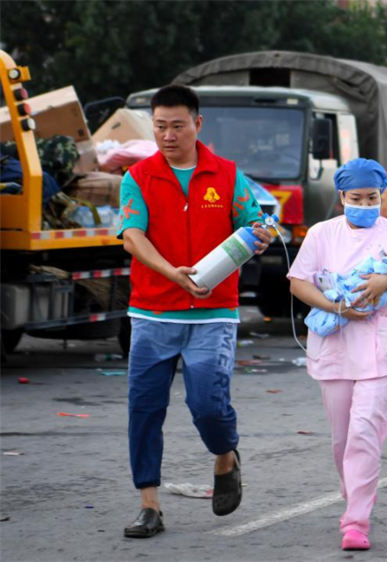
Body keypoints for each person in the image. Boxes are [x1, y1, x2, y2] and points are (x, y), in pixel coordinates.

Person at [119, 85, 273, 538]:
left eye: (177, 126)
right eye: (160, 126)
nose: (168, 135)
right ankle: (149, 504)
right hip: (152, 313)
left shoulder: (227, 175)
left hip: (212, 313)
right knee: (144, 408)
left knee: (207, 403)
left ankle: (225, 455)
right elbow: (132, 236)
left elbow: (252, 223)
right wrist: (172, 273)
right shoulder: (139, 177)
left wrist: (260, 235)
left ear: (197, 124)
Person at [287, 158, 387, 551]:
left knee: (365, 433)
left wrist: (386, 281)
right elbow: (298, 283)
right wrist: (336, 307)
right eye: (356, 198)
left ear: (382, 195)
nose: (365, 204)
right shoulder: (322, 233)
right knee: (342, 439)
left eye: (372, 197)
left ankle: (356, 521)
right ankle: (354, 491)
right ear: (341, 197)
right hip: (335, 346)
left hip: (384, 349)